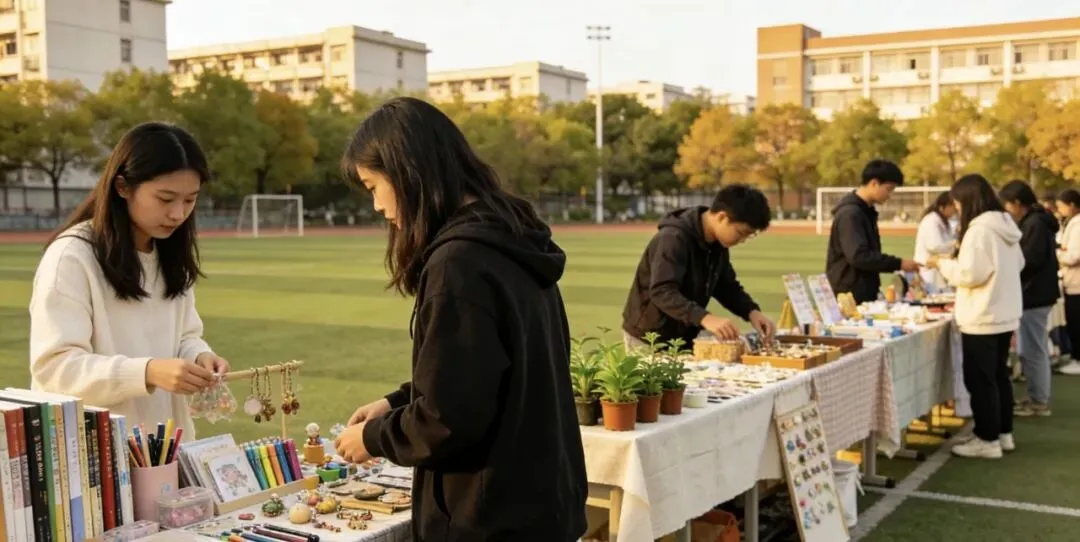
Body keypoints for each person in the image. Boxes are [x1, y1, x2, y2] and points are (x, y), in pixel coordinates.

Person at [331, 97, 587, 541]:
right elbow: (487, 369)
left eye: (374, 185)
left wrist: (373, 438)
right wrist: (397, 401)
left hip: (491, 516)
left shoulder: (460, 261)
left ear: (407, 172)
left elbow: (446, 420)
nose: (376, 205)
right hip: (542, 498)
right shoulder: (510, 238)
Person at [28, 122, 229, 442]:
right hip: (94, 455)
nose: (178, 214)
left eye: (190, 200)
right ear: (122, 187)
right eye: (166, 199)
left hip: (165, 449)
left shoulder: (168, 252)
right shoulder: (72, 257)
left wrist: (198, 356)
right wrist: (148, 372)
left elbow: (185, 335)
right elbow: (55, 369)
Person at [926, 174, 1024, 459]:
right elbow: (1018, 263)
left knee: (981, 380)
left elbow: (970, 275)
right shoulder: (1005, 224)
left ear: (968, 199)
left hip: (983, 315)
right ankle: (1002, 433)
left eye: (957, 201)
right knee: (998, 377)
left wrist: (943, 264)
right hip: (1004, 312)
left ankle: (987, 438)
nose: (955, 207)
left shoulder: (980, 230)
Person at [621, 184, 776, 348]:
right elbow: (662, 291)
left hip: (684, 334)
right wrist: (705, 318)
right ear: (722, 217)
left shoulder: (717, 243)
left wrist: (751, 312)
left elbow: (726, 286)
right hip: (649, 337)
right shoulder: (673, 238)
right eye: (741, 233)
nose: (742, 240)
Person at [999, 180, 1059, 416]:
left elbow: (1029, 261)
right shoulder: (1036, 222)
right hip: (1036, 293)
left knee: (1033, 349)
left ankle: (1039, 400)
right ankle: (1037, 396)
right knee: (1031, 348)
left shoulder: (1034, 224)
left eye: (1007, 204)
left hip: (1034, 294)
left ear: (1016, 203)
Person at [826, 159, 920, 303]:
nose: (890, 195)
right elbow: (859, 256)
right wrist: (898, 264)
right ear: (874, 183)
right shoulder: (851, 214)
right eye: (889, 189)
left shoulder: (865, 212)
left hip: (860, 289)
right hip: (849, 295)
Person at [1055, 188, 1080, 376]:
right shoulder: (1072, 223)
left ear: (1071, 205)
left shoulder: (1078, 225)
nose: (1059, 211)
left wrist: (1057, 254)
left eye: (1061, 207)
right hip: (1072, 281)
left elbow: (1074, 256)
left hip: (1077, 282)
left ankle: (1078, 358)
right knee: (1073, 320)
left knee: (1076, 321)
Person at [913, 191, 957, 291]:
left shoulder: (943, 221)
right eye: (953, 207)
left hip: (937, 269)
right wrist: (955, 244)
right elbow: (934, 246)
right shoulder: (931, 220)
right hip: (928, 270)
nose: (955, 210)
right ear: (943, 206)